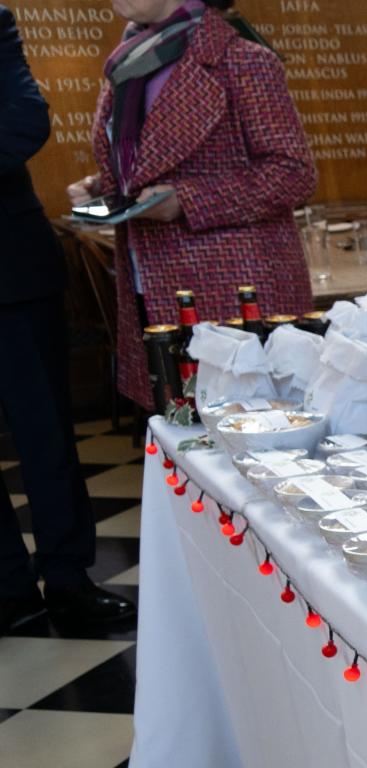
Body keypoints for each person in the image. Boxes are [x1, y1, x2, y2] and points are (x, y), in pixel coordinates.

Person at [66, 0, 316, 413]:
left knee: (245, 428)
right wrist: (99, 187)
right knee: (181, 429)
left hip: (234, 284)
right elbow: (141, 166)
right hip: (148, 277)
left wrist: (187, 200)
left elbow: (293, 173)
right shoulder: (127, 62)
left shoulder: (244, 61)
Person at [0, 4, 134, 633]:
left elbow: (22, 122)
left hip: (11, 272)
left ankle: (69, 578)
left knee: (46, 437)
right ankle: (8, 587)